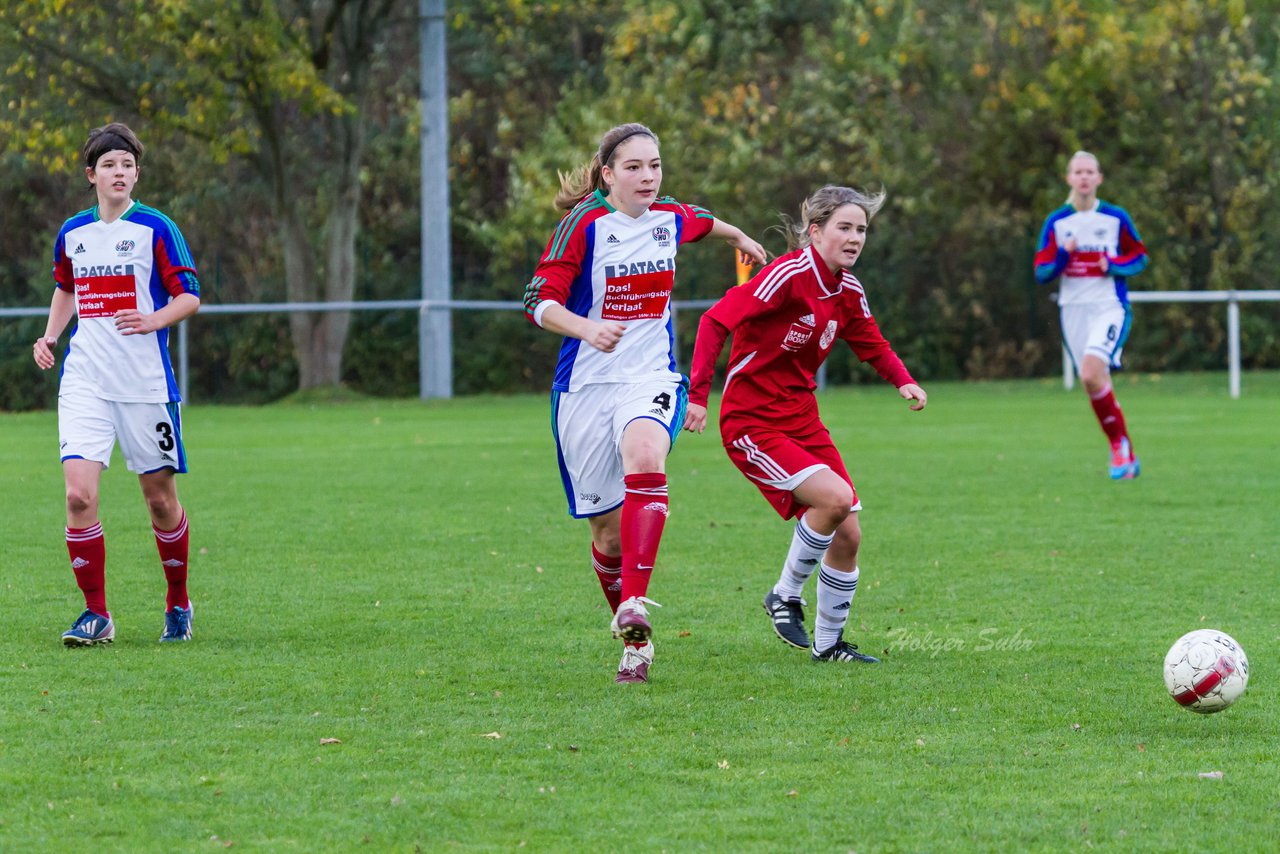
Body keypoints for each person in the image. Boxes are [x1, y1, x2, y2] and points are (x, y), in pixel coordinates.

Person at [522, 122, 766, 684]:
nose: (648, 177)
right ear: (607, 174)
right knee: (605, 534)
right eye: (633, 167)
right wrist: (586, 328)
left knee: (646, 457)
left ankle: (635, 602)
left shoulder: (670, 217)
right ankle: (633, 643)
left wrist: (740, 238)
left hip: (649, 375)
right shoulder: (582, 224)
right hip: (583, 387)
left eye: (655, 166)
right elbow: (537, 299)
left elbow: (704, 221)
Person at [686, 185, 926, 663]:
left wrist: (903, 381)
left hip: (801, 419)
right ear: (815, 232)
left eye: (861, 229)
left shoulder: (848, 289)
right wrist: (697, 397)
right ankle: (784, 594)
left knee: (849, 532)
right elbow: (716, 320)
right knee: (835, 500)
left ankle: (828, 645)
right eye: (845, 227)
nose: (855, 237)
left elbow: (871, 343)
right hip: (751, 422)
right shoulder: (787, 275)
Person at [33, 122, 202, 646]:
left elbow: (189, 295)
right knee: (79, 497)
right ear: (92, 175)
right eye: (110, 165)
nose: (120, 173)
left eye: (127, 165)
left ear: (136, 174)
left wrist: (155, 319)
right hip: (85, 379)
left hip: (145, 384)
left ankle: (178, 602)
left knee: (159, 500)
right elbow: (67, 288)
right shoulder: (73, 233)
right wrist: (50, 336)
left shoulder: (156, 227)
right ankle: (96, 614)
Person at [1035, 150, 1149, 479]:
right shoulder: (1057, 222)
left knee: (1089, 373)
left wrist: (1113, 265)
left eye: (1090, 172)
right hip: (1073, 311)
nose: (1084, 177)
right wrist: (1062, 256)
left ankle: (1118, 450)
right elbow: (1042, 272)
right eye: (1078, 172)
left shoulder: (1115, 218)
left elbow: (1140, 257)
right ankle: (1124, 447)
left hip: (1109, 307)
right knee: (1095, 381)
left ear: (1099, 178)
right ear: (1069, 178)